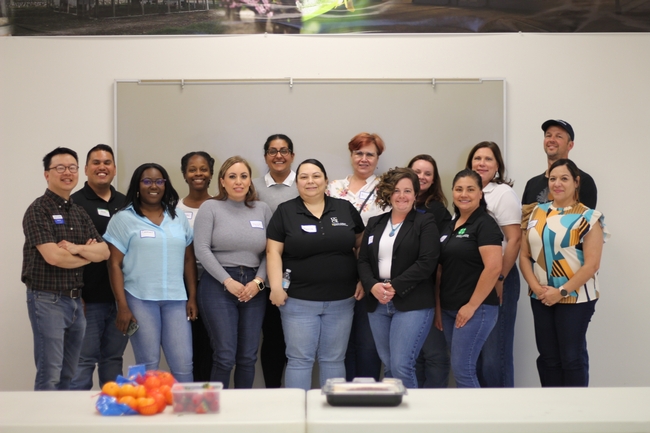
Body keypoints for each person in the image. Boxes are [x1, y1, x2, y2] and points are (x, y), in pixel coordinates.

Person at [267, 159, 365, 390]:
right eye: (304, 176)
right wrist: (276, 287)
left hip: (342, 300)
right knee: (300, 360)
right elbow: (273, 251)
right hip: (298, 301)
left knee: (334, 360)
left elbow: (360, 244)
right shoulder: (285, 211)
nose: (310, 181)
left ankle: (331, 420)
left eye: (316, 175)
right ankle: (296, 417)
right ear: (297, 182)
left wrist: (363, 278)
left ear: (326, 180)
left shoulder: (344, 208)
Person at [22, 147, 109, 390]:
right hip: (46, 300)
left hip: (75, 303)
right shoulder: (38, 210)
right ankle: (43, 426)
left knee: (69, 374)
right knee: (50, 373)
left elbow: (104, 252)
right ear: (46, 174)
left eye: (72, 168)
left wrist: (73, 249)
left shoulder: (79, 211)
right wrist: (86, 253)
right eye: (59, 168)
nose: (67, 173)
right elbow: (53, 257)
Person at [104, 163, 197, 383]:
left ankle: (186, 414)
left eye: (159, 181)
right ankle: (147, 413)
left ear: (165, 185)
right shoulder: (123, 219)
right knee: (148, 365)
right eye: (147, 181)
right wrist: (122, 306)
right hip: (139, 299)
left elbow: (188, 259)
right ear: (138, 185)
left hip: (176, 299)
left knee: (184, 364)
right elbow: (114, 264)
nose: (153, 186)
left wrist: (192, 296)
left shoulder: (178, 217)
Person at [520, 159, 608, 387]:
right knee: (548, 359)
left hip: (575, 298)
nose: (557, 183)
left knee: (571, 358)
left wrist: (560, 292)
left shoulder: (589, 217)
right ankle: (553, 413)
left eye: (564, 178)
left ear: (576, 182)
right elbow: (524, 256)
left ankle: (577, 415)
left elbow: (592, 265)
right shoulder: (535, 213)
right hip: (540, 297)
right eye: (552, 179)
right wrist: (538, 289)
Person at [194, 156, 272, 388]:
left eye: (244, 176)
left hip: (254, 288)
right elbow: (201, 249)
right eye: (232, 176)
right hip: (218, 286)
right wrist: (227, 281)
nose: (238, 181)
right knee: (225, 356)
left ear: (250, 181)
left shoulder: (263, 209)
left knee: (248, 357)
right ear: (222, 182)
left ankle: (243, 414)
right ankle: (217, 414)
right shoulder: (211, 207)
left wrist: (259, 282)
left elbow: (272, 251)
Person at [358, 167, 440, 389]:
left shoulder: (425, 222)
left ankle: (410, 421)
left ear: (415, 195)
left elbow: (427, 262)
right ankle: (393, 418)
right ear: (388, 193)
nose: (402, 196)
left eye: (407, 190)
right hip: (378, 303)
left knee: (402, 365)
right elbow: (363, 261)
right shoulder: (375, 223)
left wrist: (394, 286)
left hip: (412, 302)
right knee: (390, 365)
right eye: (396, 190)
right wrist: (372, 285)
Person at [436, 169, 503, 388]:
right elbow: (440, 269)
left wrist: (471, 306)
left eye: (470, 189)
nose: (464, 194)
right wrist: (438, 308)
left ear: (480, 194)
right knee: (459, 369)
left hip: (476, 309)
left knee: (463, 370)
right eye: (459, 189)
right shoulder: (449, 226)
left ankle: (477, 421)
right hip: (448, 309)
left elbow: (493, 268)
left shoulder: (485, 224)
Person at [327, 132, 385, 381]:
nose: (363, 159)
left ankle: (368, 399)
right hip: (336, 274)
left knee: (367, 342)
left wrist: (365, 277)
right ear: (351, 156)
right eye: (358, 153)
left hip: (370, 274)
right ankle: (342, 397)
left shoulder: (386, 189)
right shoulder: (333, 187)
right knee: (340, 344)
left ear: (377, 158)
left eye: (369, 154)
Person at [70, 145, 128, 390]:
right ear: (86, 169)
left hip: (120, 299)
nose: (102, 167)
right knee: (83, 361)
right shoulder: (74, 203)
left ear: (114, 169)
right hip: (88, 299)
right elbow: (68, 251)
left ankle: (112, 415)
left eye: (107, 162)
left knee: (113, 360)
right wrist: (76, 294)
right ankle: (75, 423)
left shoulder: (126, 203)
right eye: (96, 162)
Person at [466, 142, 522, 388]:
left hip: (498, 278)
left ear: (497, 165)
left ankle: (504, 417)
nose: (481, 163)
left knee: (494, 355)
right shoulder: (468, 192)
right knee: (474, 355)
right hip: (474, 281)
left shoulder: (502, 194)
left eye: (488, 159)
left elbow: (514, 239)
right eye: (477, 158)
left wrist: (500, 279)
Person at [252, 134, 299, 388]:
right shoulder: (253, 186)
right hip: (266, 275)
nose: (278, 155)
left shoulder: (303, 183)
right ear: (265, 156)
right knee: (271, 339)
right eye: (272, 151)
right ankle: (272, 390)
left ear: (292, 155)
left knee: (296, 341)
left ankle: (294, 392)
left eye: (284, 150)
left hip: (300, 273)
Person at [407, 154, 452, 389]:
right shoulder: (399, 203)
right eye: (417, 172)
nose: (422, 177)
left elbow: (438, 253)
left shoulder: (437, 211)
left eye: (427, 174)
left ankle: (435, 407)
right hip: (402, 290)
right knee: (412, 357)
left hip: (429, 288)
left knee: (434, 353)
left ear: (434, 180)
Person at [177, 151, 215, 383]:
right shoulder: (174, 210)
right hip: (182, 286)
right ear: (184, 174)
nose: (198, 174)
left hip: (215, 283)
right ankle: (189, 396)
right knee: (186, 345)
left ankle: (208, 396)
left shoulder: (221, 205)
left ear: (211, 172)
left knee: (210, 345)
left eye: (203, 169)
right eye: (192, 169)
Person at [522, 119, 598, 215]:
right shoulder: (532, 184)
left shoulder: (584, 181)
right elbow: (525, 223)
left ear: (570, 145)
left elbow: (585, 222)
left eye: (559, 136)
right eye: (548, 135)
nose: (552, 140)